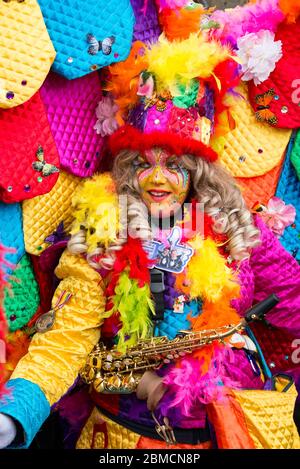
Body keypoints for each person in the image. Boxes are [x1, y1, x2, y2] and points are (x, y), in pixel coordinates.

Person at [0, 33, 299, 450]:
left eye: (174, 165)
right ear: (125, 169)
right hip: (126, 439)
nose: (158, 179)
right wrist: (15, 415)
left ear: (197, 170)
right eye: (143, 163)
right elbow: (65, 339)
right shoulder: (100, 234)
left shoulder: (235, 225)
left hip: (229, 434)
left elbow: (293, 300)